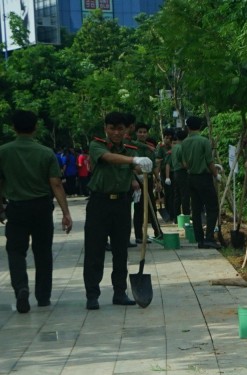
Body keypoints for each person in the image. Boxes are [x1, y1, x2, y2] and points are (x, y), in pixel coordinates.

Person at [0, 110, 73, 312]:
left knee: (15, 251)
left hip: (16, 207)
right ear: (36, 128)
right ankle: (43, 296)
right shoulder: (45, 152)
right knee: (42, 252)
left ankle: (21, 288)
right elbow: (56, 184)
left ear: (13, 128)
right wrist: (66, 213)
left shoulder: (3, 151)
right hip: (41, 207)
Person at [83, 111, 154, 309]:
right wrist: (134, 161)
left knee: (121, 250)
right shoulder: (97, 145)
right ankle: (92, 294)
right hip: (99, 203)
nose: (116, 132)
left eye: (120, 129)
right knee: (94, 250)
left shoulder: (131, 149)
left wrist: (144, 167)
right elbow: (109, 158)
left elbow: (138, 167)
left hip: (122, 204)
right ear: (105, 129)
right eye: (112, 128)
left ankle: (120, 292)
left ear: (126, 130)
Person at [179, 115, 221, 248]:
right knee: (212, 207)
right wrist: (216, 174)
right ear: (200, 126)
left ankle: (199, 239)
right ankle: (209, 237)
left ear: (188, 127)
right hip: (204, 178)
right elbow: (209, 161)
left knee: (196, 209)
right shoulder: (204, 141)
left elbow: (184, 163)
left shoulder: (184, 143)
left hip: (190, 178)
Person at [131, 123, 161, 244]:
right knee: (138, 209)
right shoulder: (132, 147)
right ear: (136, 133)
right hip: (137, 182)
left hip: (148, 181)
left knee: (152, 207)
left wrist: (158, 180)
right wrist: (134, 179)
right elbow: (131, 166)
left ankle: (158, 232)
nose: (142, 134)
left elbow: (153, 167)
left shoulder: (149, 150)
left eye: (144, 132)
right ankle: (139, 235)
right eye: (140, 132)